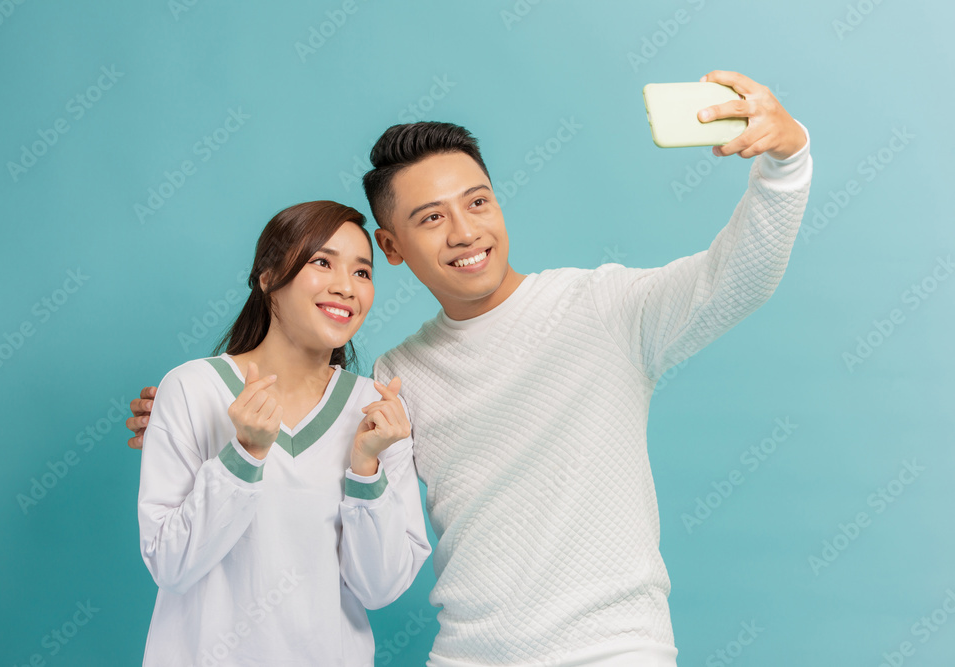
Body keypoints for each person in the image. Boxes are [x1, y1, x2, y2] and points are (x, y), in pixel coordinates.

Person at [130, 70, 812, 666]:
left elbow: (736, 280)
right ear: (394, 248)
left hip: (615, 650)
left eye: (478, 202)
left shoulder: (604, 308)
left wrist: (785, 162)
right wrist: (188, 414)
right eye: (432, 218)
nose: (465, 232)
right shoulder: (398, 375)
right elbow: (321, 458)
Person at [136, 200, 431, 666]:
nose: (345, 287)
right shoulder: (191, 389)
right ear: (268, 276)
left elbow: (380, 589)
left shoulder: (376, 412)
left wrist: (366, 471)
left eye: (362, 273)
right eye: (322, 262)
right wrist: (245, 454)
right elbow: (171, 566)